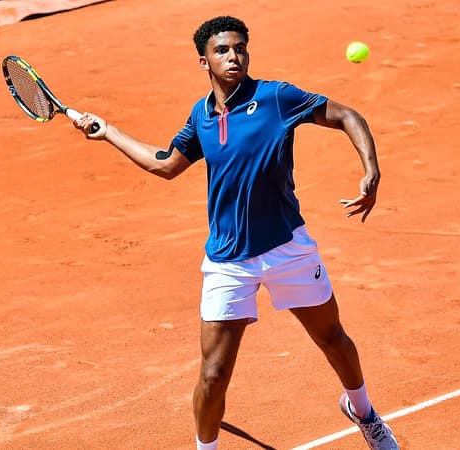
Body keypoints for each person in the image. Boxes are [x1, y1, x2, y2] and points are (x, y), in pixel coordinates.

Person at [73, 15, 398, 450]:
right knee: (213, 374)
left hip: (288, 248)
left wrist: (370, 170)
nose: (234, 56)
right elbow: (166, 164)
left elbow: (344, 115)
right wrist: (109, 131)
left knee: (333, 340)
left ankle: (364, 412)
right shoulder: (201, 116)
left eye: (240, 48)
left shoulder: (275, 97)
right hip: (229, 261)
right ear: (202, 61)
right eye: (222, 50)